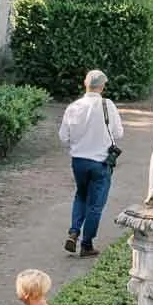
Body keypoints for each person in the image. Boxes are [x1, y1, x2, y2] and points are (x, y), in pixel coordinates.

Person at [59, 68, 124, 259]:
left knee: (80, 195)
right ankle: (86, 244)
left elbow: (63, 136)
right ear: (102, 86)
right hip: (100, 162)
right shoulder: (107, 105)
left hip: (78, 161)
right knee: (96, 204)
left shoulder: (73, 107)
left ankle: (73, 231)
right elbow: (119, 133)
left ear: (84, 84)